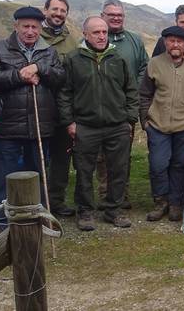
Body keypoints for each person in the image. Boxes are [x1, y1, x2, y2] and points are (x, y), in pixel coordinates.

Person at [0, 6, 65, 237]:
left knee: (38, 176)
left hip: (40, 126)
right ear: (16, 26)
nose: (30, 31)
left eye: (35, 27)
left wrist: (40, 68)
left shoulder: (48, 51)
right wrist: (19, 75)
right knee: (2, 179)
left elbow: (60, 77)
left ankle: (38, 222)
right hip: (8, 126)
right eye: (26, 26)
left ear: (40, 28)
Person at [58, 17, 138, 231]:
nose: (102, 36)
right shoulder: (74, 60)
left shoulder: (118, 59)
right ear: (85, 34)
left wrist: (130, 119)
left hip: (117, 125)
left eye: (104, 32)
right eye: (96, 32)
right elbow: (64, 94)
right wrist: (69, 122)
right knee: (84, 171)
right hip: (85, 126)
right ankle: (85, 211)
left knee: (118, 170)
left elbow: (131, 90)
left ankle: (114, 210)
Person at [140, 26, 184, 222]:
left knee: (180, 165)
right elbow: (145, 94)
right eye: (171, 40)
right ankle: (160, 201)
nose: (175, 44)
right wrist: (145, 121)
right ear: (165, 42)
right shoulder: (154, 64)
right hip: (157, 125)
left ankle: (176, 203)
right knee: (158, 164)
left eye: (180, 41)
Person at [97, 0, 149, 209]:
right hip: (99, 108)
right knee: (101, 156)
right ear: (103, 16)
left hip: (126, 108)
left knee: (122, 154)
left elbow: (144, 68)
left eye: (119, 15)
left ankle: (122, 195)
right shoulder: (96, 38)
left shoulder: (134, 41)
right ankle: (103, 195)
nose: (116, 18)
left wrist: (132, 90)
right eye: (111, 15)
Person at [43, 0, 81, 217]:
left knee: (61, 159)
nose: (58, 14)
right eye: (54, 9)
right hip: (38, 107)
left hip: (64, 108)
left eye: (62, 11)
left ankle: (56, 201)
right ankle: (35, 203)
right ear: (45, 10)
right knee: (36, 159)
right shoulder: (34, 34)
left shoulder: (71, 39)